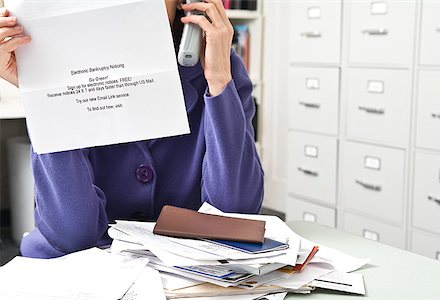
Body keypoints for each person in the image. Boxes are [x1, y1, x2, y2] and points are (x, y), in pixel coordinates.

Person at [0, 0, 264, 258]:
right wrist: (45, 94)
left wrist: (219, 80)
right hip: (84, 269)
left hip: (187, 274)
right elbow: (71, 233)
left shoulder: (221, 68)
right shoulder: (56, 70)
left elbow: (233, 215)